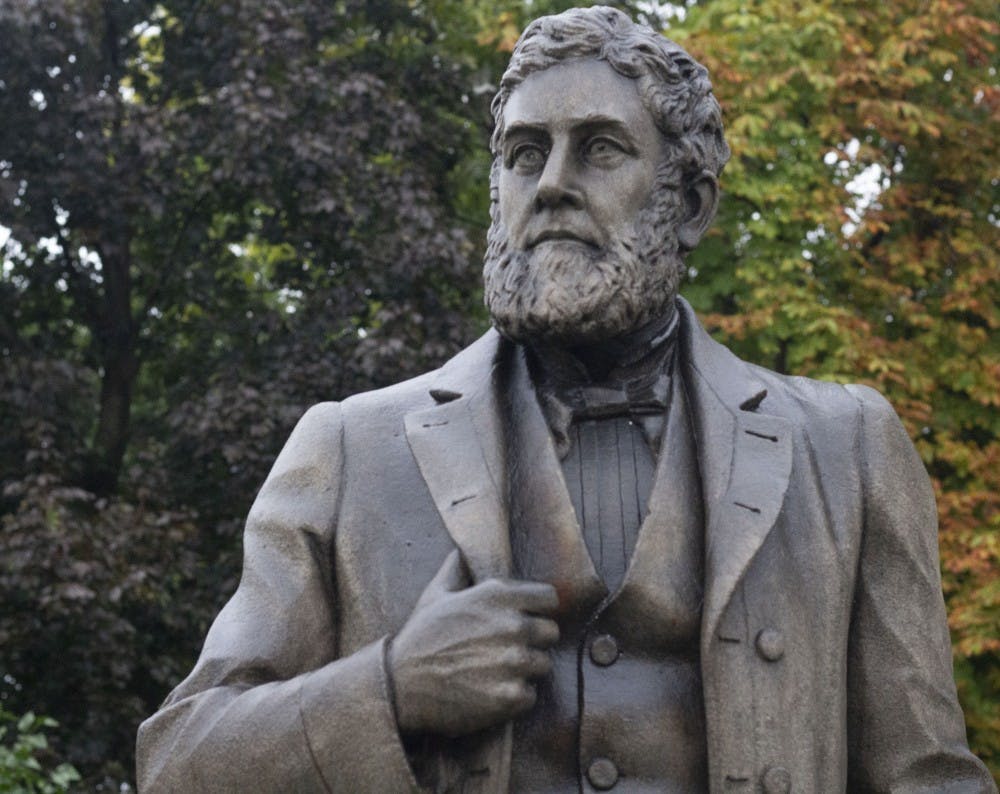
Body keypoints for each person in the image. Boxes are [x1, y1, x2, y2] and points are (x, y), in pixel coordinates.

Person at [137, 7, 996, 793]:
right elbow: (178, 759)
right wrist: (388, 687)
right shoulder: (351, 450)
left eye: (599, 148)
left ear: (691, 205)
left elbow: (928, 777)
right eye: (523, 154)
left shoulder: (845, 448)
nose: (549, 183)